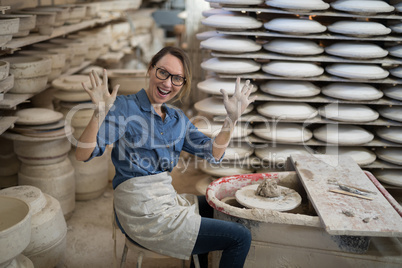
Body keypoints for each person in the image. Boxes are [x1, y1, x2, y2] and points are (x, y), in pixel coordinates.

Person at [75, 46, 256, 267]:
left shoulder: (177, 119)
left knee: (220, 208)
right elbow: (83, 153)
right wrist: (99, 113)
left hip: (164, 199)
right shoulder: (124, 106)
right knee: (240, 237)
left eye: (177, 78)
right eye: (163, 73)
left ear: (183, 84)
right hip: (139, 208)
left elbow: (214, 152)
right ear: (151, 69)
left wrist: (231, 119)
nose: (168, 83)